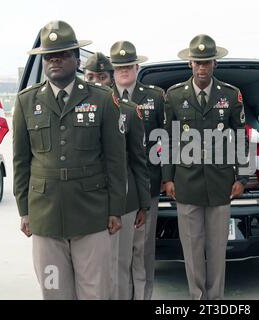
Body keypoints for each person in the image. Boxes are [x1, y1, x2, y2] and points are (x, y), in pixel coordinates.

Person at [13, 20, 127, 299]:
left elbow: (115, 160)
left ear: (76, 59)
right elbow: (20, 161)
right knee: (54, 292)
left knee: (95, 292)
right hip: (45, 215)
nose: (55, 61)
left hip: (91, 213)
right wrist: (24, 210)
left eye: (63, 54)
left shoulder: (101, 100)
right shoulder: (27, 101)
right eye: (49, 56)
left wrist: (115, 209)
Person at [163, 34, 248, 300]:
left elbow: (241, 137)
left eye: (207, 62)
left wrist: (242, 176)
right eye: (198, 62)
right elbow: (167, 140)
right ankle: (197, 297)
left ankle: (216, 298)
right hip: (186, 184)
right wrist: (168, 179)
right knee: (192, 248)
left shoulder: (230, 95)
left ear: (215, 63)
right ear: (190, 63)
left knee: (216, 248)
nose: (202, 67)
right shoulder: (175, 96)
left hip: (221, 183)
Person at [83, 52, 151, 299]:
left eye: (102, 76)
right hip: (90, 200)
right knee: (94, 268)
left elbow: (138, 162)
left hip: (124, 199)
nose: (97, 81)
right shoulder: (76, 113)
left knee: (121, 265)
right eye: (91, 76)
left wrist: (143, 204)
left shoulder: (129, 111)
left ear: (111, 79)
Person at [110, 41, 164, 300]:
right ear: (112, 70)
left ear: (136, 67)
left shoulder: (154, 96)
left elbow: (167, 138)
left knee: (142, 252)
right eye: (118, 66)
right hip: (112, 192)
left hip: (148, 184)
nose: (123, 71)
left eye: (128, 66)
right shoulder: (101, 97)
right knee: (116, 256)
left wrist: (167, 178)